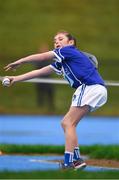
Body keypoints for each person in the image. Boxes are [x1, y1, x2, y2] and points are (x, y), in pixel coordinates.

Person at [4, 30, 107, 170]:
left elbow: (42, 57)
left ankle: (68, 163)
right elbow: (39, 72)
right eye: (55, 40)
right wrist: (16, 79)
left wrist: (20, 61)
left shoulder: (69, 51)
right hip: (95, 89)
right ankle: (77, 160)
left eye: (60, 39)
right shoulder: (62, 61)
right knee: (68, 124)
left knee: (67, 123)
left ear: (70, 43)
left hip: (90, 87)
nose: (56, 42)